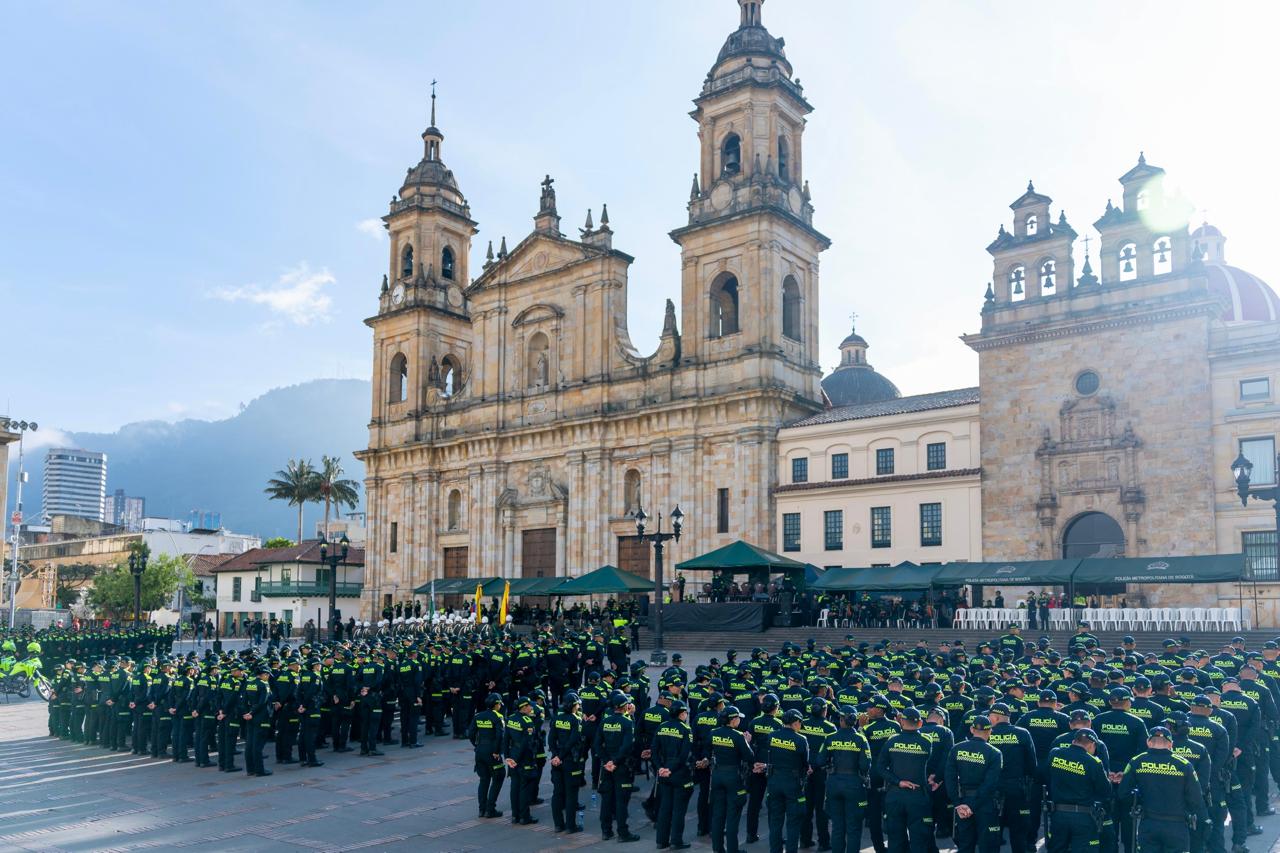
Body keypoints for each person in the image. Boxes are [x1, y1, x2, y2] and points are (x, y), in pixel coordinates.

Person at [1118, 726, 1209, 853]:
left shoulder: (1136, 761)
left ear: (1148, 742)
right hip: (1176, 825)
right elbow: (1196, 799)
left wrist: (1139, 804)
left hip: (1148, 823)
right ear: (1171, 744)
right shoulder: (1184, 765)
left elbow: (1123, 793)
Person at [876, 706, 942, 853]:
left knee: (895, 840)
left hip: (895, 795)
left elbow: (880, 767)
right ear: (920, 723)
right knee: (919, 840)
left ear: (902, 722)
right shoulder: (926, 741)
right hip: (918, 796)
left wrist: (898, 781)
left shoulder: (892, 741)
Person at [1045, 728, 1112, 853]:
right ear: (1092, 745)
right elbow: (1105, 791)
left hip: (1058, 814)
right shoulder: (1094, 762)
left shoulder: (1055, 753)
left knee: (1056, 849)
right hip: (1083, 816)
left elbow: (1046, 776)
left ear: (1073, 741)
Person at [944, 715, 1002, 853]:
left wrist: (958, 803)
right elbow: (990, 784)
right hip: (985, 804)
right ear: (990, 731)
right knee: (988, 846)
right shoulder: (995, 753)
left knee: (965, 845)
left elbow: (949, 778)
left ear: (971, 729)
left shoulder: (956, 749)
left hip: (963, 803)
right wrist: (971, 805)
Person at [825, 705, 871, 853]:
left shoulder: (830, 737)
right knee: (854, 827)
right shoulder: (861, 739)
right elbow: (865, 765)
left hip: (834, 783)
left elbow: (820, 760)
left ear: (841, 719)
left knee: (837, 826)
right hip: (854, 784)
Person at [709, 704, 754, 853]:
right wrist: (748, 741)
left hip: (717, 775)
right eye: (737, 718)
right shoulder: (738, 735)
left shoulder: (713, 732)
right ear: (733, 720)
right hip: (733, 776)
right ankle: (733, 850)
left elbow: (706, 749)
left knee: (718, 815)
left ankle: (717, 849)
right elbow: (749, 757)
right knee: (732, 816)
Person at [595, 691, 640, 842]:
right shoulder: (627, 723)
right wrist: (614, 762)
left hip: (606, 766)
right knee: (621, 801)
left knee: (607, 799)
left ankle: (606, 831)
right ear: (625, 707)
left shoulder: (605, 721)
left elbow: (597, 745)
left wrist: (607, 761)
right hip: (621, 767)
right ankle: (623, 833)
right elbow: (627, 746)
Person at [764, 708, 809, 853]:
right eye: (800, 723)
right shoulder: (801, 739)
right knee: (793, 823)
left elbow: (769, 756)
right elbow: (805, 763)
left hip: (774, 781)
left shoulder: (772, 736)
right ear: (795, 722)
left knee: (775, 822)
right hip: (792, 783)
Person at [653, 699, 694, 849]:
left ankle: (661, 841)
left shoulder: (661, 727)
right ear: (681, 713)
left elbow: (654, 751)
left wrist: (660, 768)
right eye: (685, 713)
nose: (686, 715)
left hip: (663, 772)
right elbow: (684, 755)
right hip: (678, 773)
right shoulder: (685, 729)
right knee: (678, 810)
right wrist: (671, 769)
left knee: (664, 808)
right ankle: (676, 841)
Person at [549, 692, 586, 833]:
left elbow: (551, 739)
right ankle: (571, 826)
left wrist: (555, 755)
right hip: (570, 761)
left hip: (556, 761)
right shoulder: (575, 720)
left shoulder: (556, 718)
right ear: (573, 705)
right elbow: (573, 741)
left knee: (557, 793)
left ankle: (558, 825)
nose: (578, 706)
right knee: (571, 794)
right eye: (577, 704)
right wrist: (562, 756)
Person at [467, 692, 507, 819]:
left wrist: (477, 745)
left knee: (484, 780)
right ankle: (490, 809)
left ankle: (482, 809)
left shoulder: (478, 716)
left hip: (480, 751)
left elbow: (471, 733)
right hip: (492, 752)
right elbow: (499, 736)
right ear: (496, 705)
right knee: (499, 777)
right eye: (499, 703)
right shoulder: (498, 717)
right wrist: (496, 751)